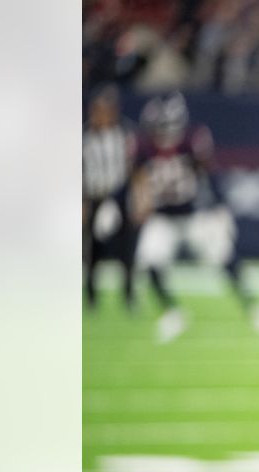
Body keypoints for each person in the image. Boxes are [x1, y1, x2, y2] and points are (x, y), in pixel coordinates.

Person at [133, 91, 259, 342]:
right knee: (150, 258)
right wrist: (137, 205)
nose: (162, 134)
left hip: (193, 213)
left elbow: (209, 174)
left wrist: (219, 208)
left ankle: (254, 308)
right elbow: (138, 179)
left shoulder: (192, 140)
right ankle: (172, 312)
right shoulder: (143, 146)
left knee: (224, 255)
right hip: (162, 216)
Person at [83, 84, 142, 311]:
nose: (100, 114)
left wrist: (137, 197)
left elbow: (134, 167)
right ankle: (91, 296)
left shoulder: (126, 133)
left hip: (119, 197)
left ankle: (128, 295)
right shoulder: (85, 135)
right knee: (92, 251)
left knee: (127, 249)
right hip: (95, 197)